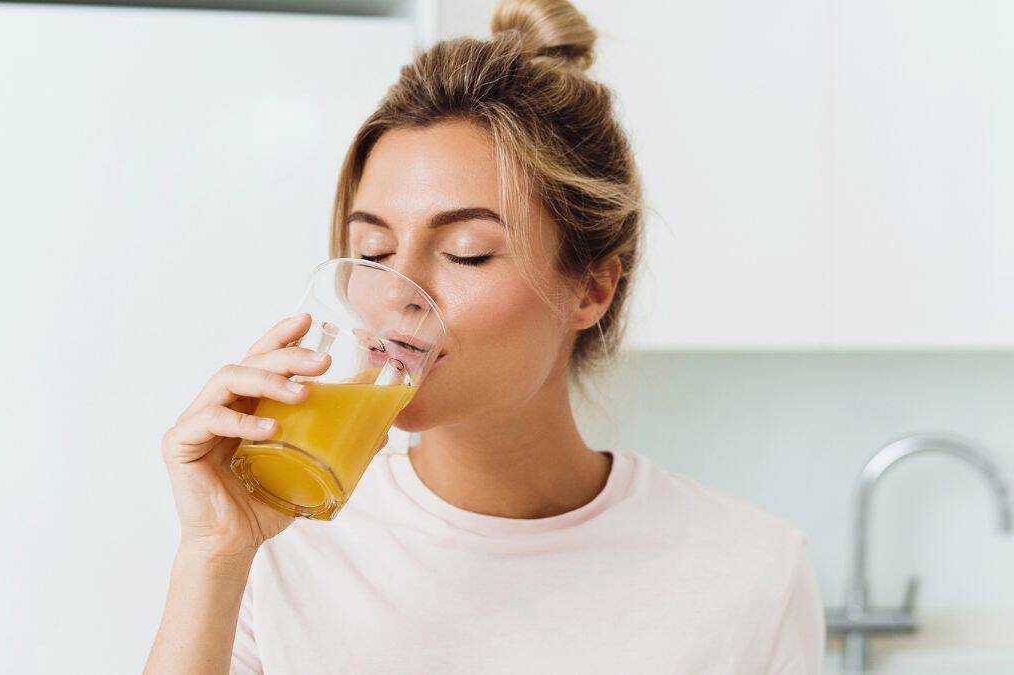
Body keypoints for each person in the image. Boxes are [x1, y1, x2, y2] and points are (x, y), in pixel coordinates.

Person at [144, 0, 826, 672]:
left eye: (467, 251)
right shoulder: (282, 544)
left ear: (589, 288)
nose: (394, 293)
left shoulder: (749, 574)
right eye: (374, 251)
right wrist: (214, 554)